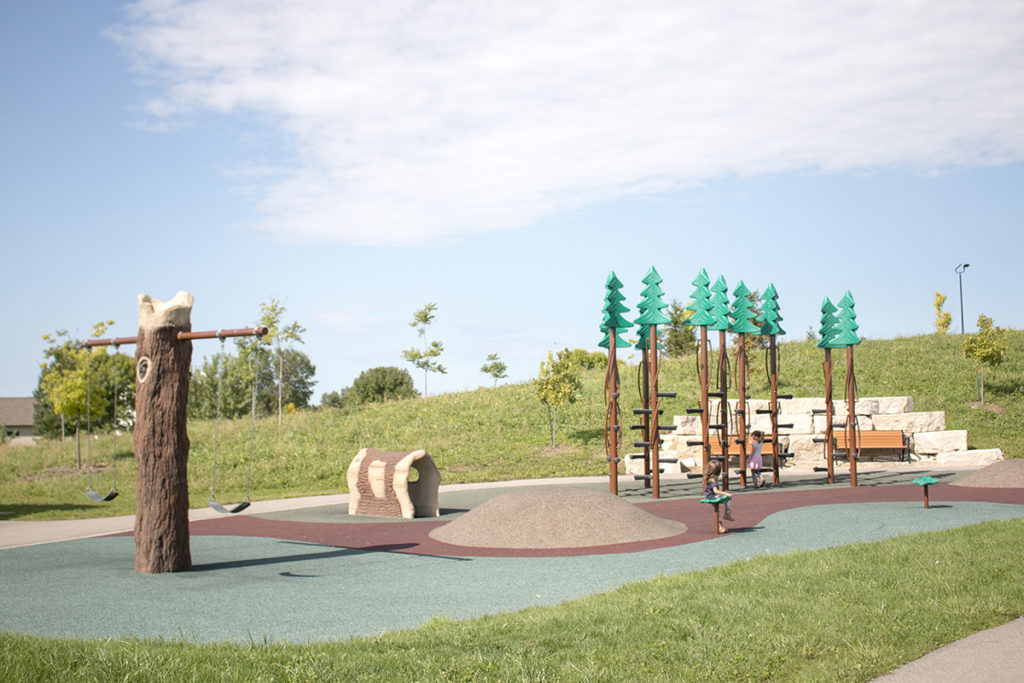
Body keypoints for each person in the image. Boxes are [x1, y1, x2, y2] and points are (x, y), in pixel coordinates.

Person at [703, 461, 733, 532]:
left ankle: (720, 524)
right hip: (712, 496)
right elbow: (716, 491)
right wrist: (725, 493)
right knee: (727, 498)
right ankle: (727, 513)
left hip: (710, 495)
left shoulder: (709, 477)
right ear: (718, 471)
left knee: (718, 509)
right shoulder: (713, 480)